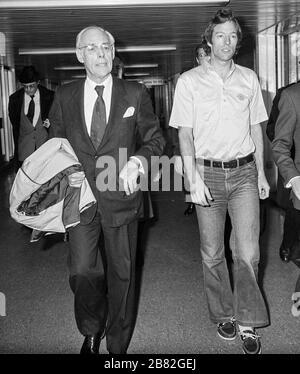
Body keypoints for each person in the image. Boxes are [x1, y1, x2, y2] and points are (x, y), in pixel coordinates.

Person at [48, 25, 165, 354]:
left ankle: (117, 345)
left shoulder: (134, 93)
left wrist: (138, 163)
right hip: (80, 197)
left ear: (114, 53)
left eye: (106, 47)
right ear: (79, 55)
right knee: (83, 270)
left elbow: (156, 139)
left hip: (122, 198)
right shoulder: (64, 95)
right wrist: (64, 171)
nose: (100, 54)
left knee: (122, 274)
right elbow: (54, 145)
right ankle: (90, 328)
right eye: (92, 48)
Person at [169, 8, 270, 354]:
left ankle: (247, 321)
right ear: (209, 41)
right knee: (212, 252)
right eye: (220, 36)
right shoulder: (189, 81)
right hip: (207, 172)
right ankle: (223, 313)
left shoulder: (249, 79)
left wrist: (261, 173)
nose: (226, 42)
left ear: (237, 41)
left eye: (232, 36)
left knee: (247, 252)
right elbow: (185, 134)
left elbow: (256, 127)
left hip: (244, 173)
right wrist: (191, 178)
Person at [174, 39, 211, 216]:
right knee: (190, 174)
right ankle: (192, 202)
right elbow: (181, 129)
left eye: (208, 55)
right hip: (191, 140)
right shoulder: (188, 81)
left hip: (209, 145)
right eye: (202, 56)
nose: (205, 59)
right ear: (197, 59)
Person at [266, 83, 300, 263]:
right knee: (293, 214)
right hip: (295, 170)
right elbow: (277, 139)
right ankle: (288, 244)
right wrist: (293, 175)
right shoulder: (290, 95)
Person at [8, 65, 54, 168]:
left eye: (31, 86)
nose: (28, 89)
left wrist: (52, 123)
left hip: (45, 149)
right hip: (24, 151)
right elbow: (15, 123)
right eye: (25, 86)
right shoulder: (14, 100)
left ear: (38, 82)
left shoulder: (50, 97)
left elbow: (58, 119)